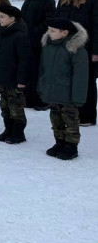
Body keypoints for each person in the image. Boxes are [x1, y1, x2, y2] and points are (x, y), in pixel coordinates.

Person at [53, 0, 98, 127]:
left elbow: (96, 26)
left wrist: (95, 51)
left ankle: (87, 116)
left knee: (85, 82)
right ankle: (71, 113)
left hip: (84, 49)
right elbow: (56, 23)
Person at [39, 18, 89, 160]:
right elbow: (43, 69)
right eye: (49, 29)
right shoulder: (48, 46)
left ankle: (71, 146)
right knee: (56, 118)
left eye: (53, 31)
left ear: (65, 32)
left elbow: (81, 76)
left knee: (70, 120)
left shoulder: (76, 50)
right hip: (52, 91)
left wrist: (78, 97)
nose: (49, 33)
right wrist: (42, 87)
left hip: (68, 94)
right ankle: (59, 142)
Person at [0, 5, 31, 144]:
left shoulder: (20, 36)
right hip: (3, 77)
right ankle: (8, 128)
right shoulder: (3, 33)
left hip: (14, 79)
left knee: (16, 106)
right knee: (5, 105)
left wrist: (21, 80)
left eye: (2, 17)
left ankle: (18, 132)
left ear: (12, 18)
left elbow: (24, 60)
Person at [20, 0, 55, 110]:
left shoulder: (48, 0)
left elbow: (49, 21)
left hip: (40, 43)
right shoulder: (28, 0)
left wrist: (34, 31)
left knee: (39, 72)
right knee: (28, 71)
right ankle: (28, 98)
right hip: (27, 41)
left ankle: (41, 100)